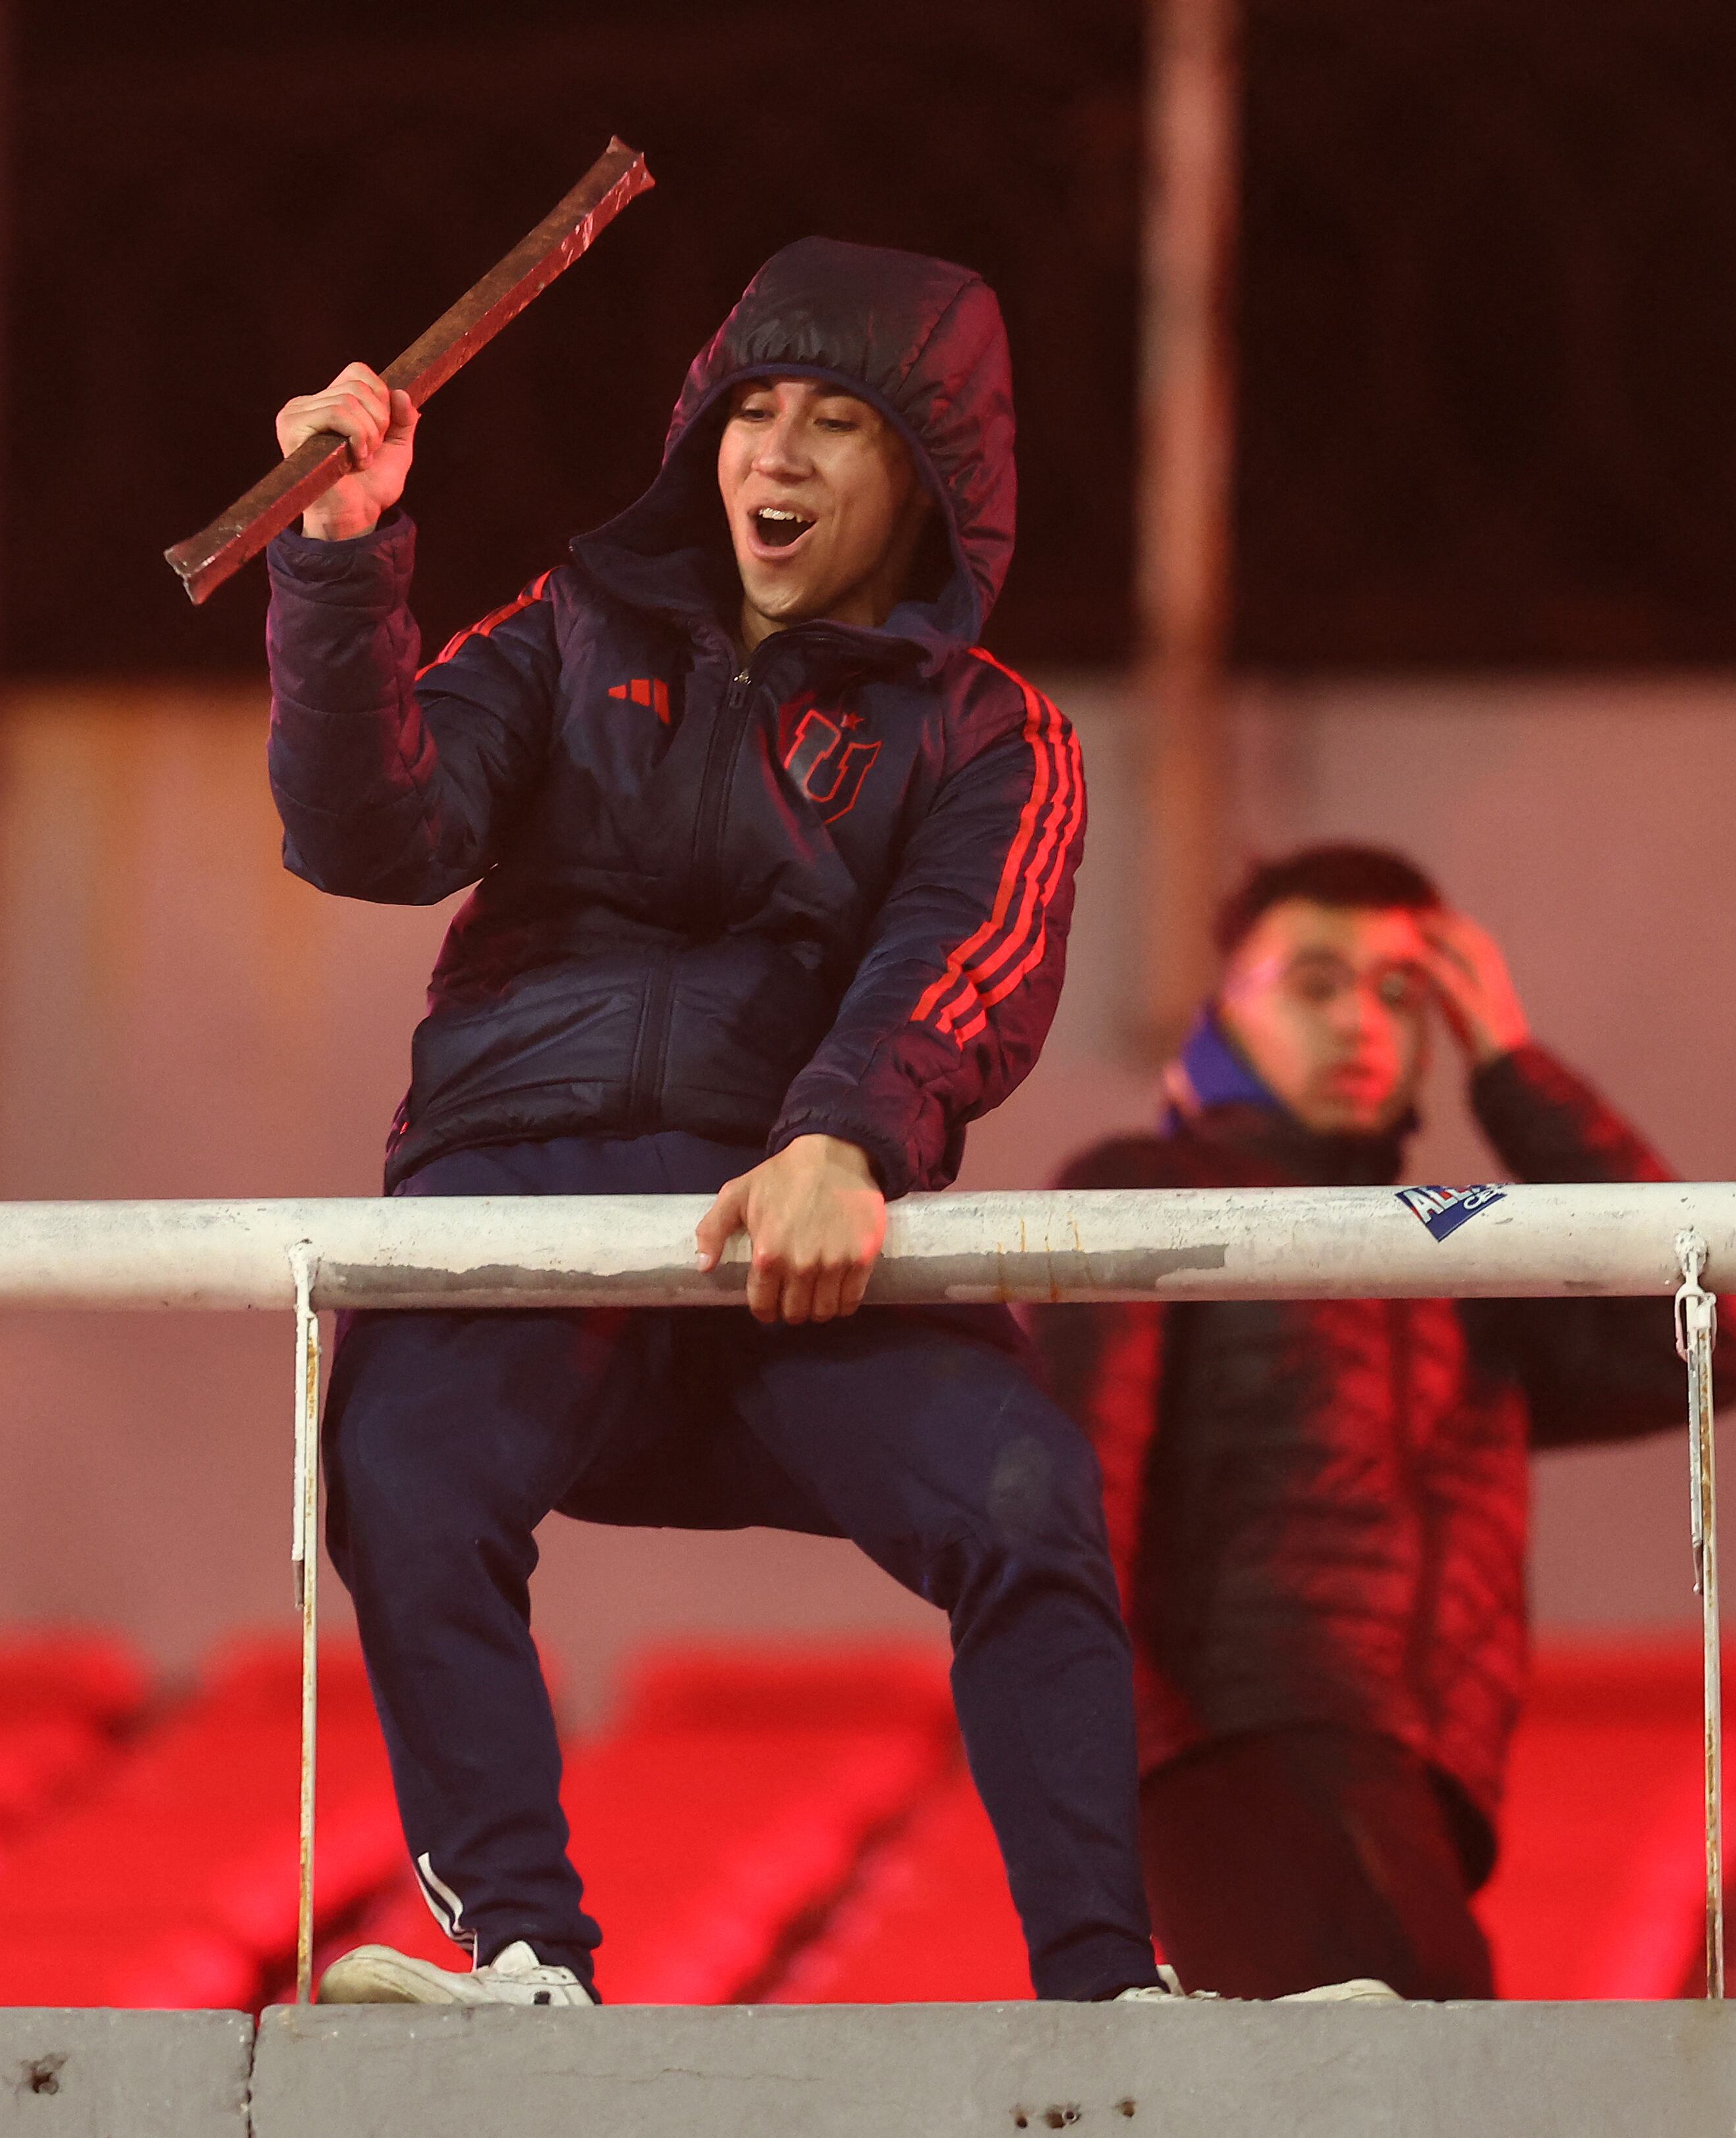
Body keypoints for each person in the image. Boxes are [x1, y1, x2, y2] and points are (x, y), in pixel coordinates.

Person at [261, 237, 1185, 2009]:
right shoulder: (562, 627)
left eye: (836, 422)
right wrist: (340, 555)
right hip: (516, 1194)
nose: (772, 457)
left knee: (1022, 1492)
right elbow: (366, 832)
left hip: (788, 1213)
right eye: (749, 411)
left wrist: (843, 1136)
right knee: (403, 1467)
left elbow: (958, 960)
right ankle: (527, 1967)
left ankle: (1105, 1987)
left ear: (931, 477)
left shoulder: (990, 734)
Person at [1034, 844, 1736, 2000]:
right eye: (1313, 983)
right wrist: (1134, 1761)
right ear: (1220, 1015)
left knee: (1419, 2074)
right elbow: (1071, 1501)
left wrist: (1513, 1066)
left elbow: (1715, 1342)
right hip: (1233, 1750)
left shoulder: (1457, 1268)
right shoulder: (1142, 1183)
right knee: (1428, 2080)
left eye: (1398, 992)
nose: (1359, 1023)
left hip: (1422, 1776)